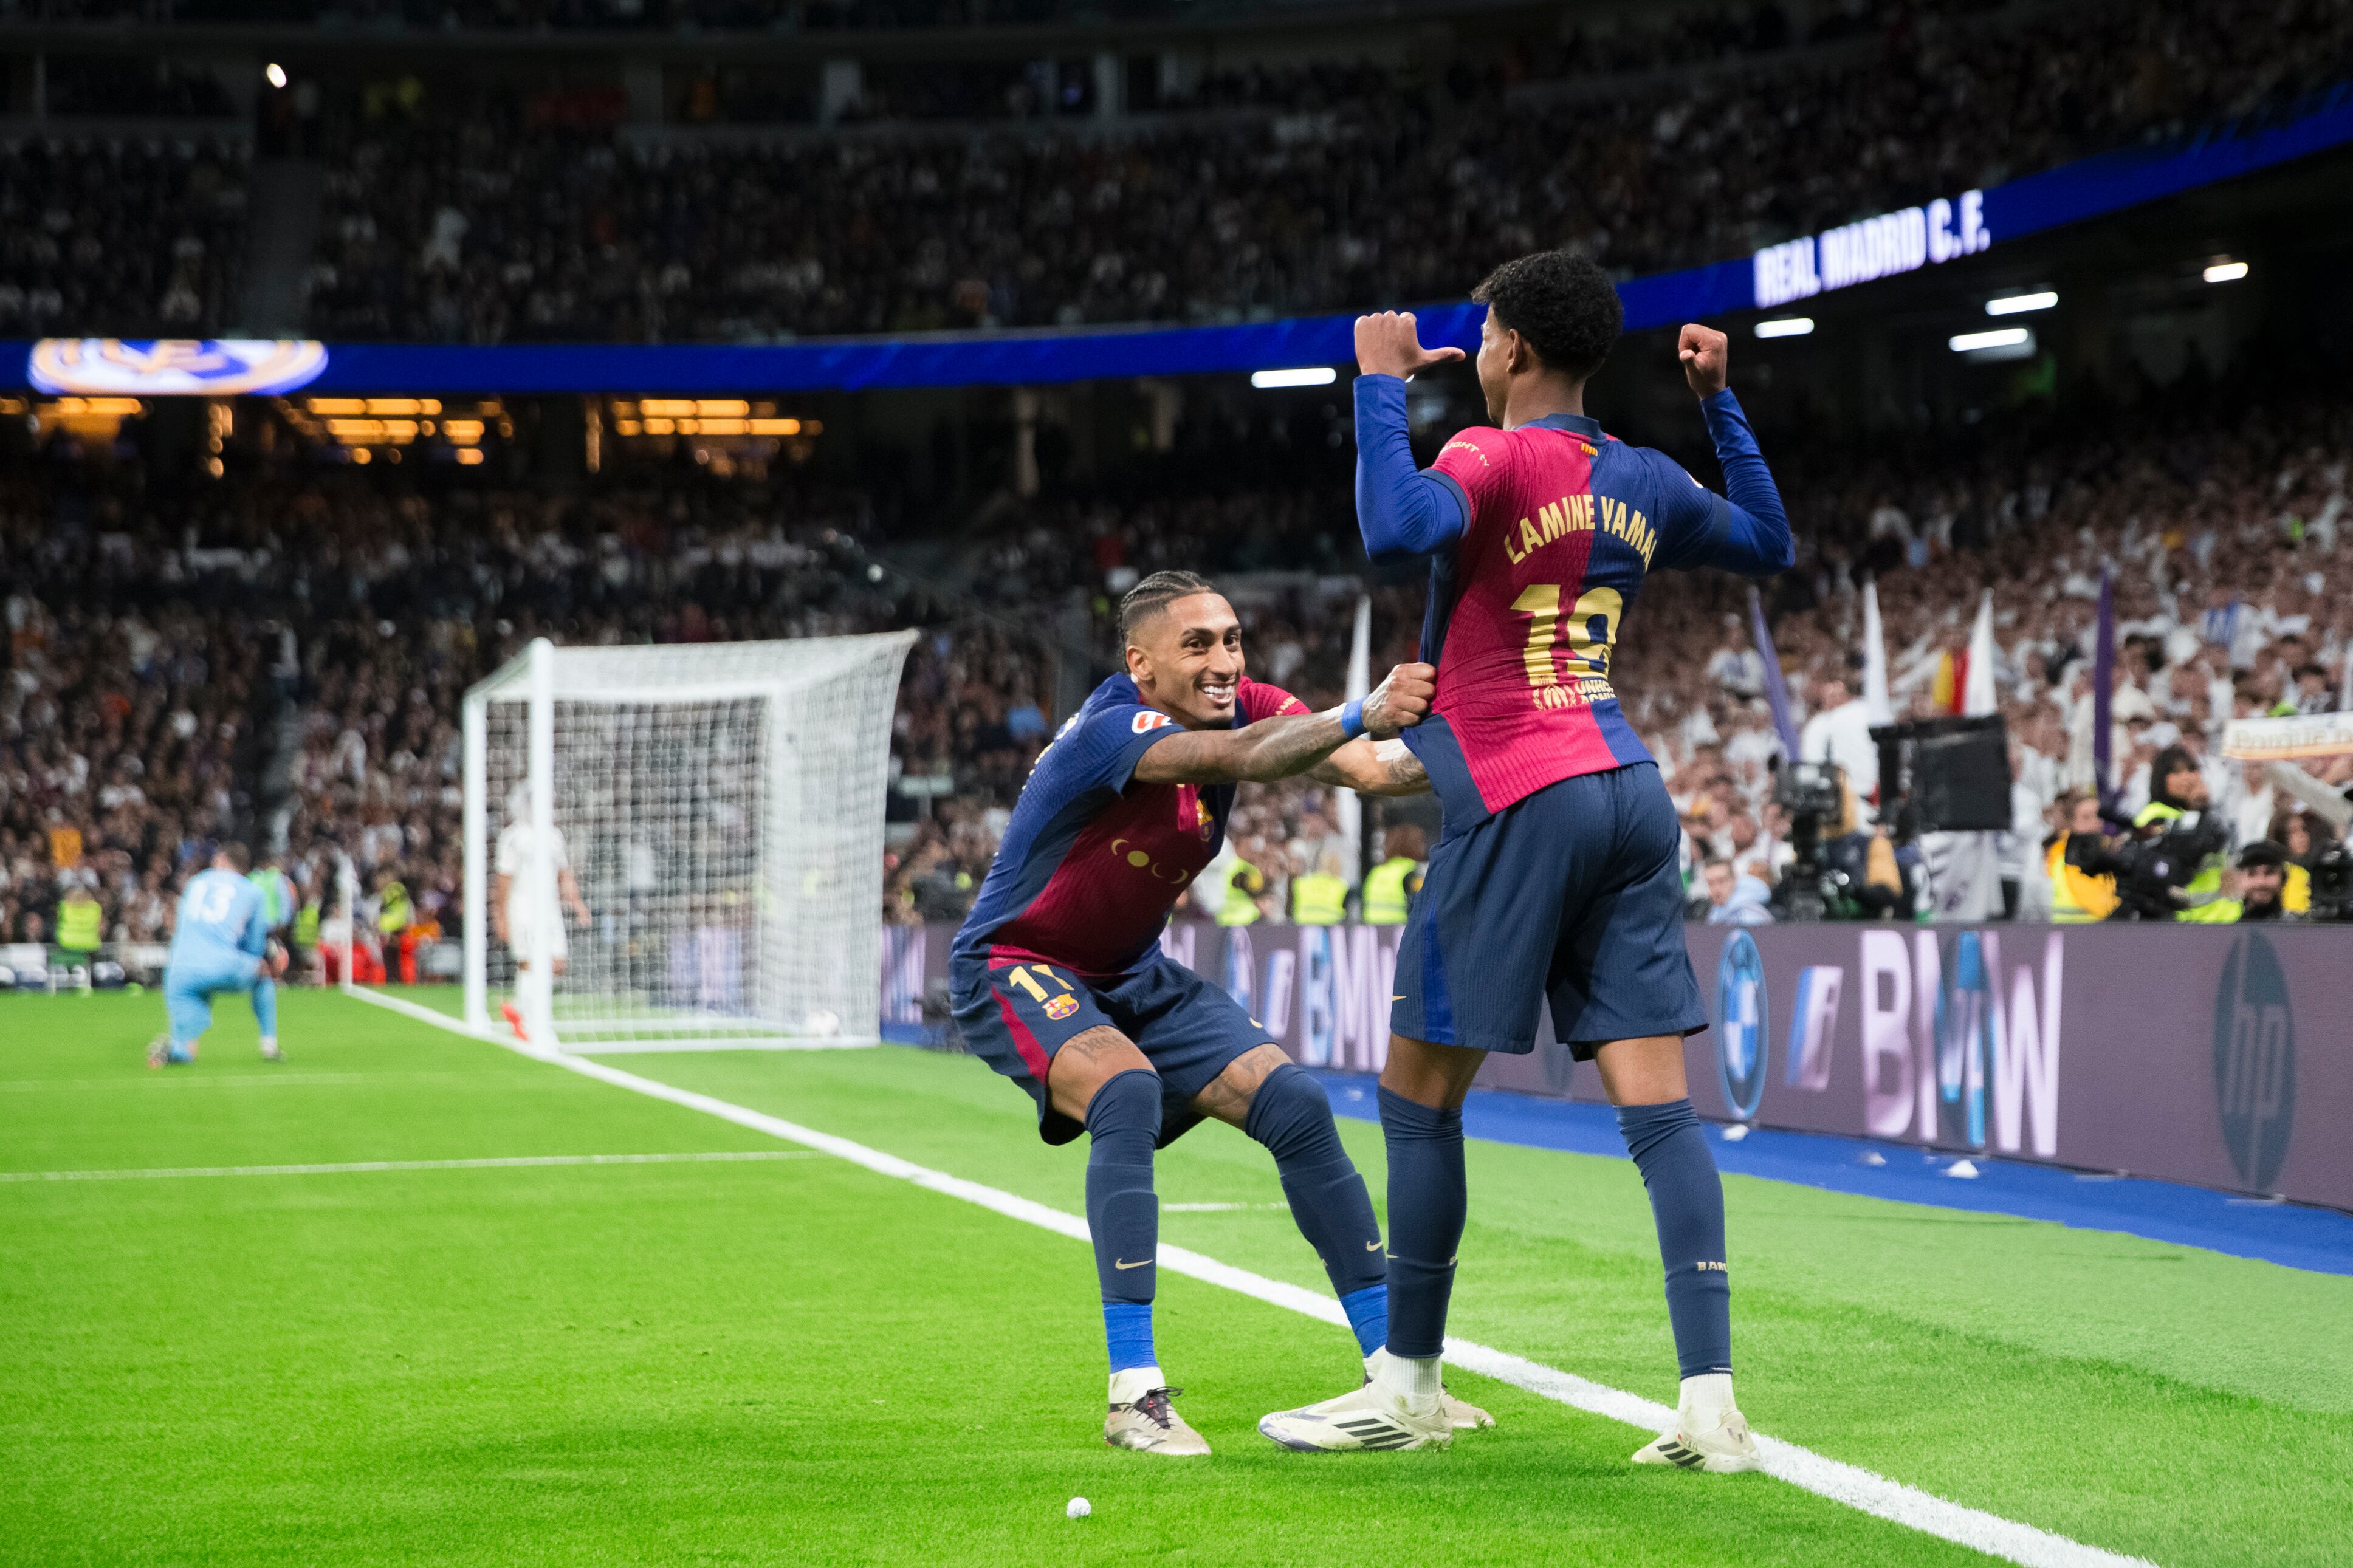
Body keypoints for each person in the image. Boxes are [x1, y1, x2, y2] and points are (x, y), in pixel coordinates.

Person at [1260, 252, 1791, 1467]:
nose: (1478, 345)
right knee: (1659, 1117)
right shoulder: (1642, 476)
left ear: (1508, 351)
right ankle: (1710, 1407)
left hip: (1519, 793)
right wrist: (1719, 401)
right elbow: (1768, 541)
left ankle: (1405, 1385)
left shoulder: (1487, 458)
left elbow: (1393, 529)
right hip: (1625, 786)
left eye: (1485, 331)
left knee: (1415, 1099)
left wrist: (1378, 384)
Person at [948, 570, 1484, 1456]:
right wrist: (1362, 708)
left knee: (1298, 1104)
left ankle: (1395, 1372)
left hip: (1133, 971)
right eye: (1198, 645)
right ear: (1141, 663)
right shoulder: (1113, 729)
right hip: (1017, 961)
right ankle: (1135, 1395)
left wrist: (1507, 737)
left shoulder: (1253, 703)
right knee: (1121, 1091)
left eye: (1232, 640)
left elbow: (1374, 770)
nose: (1224, 661)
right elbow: (1245, 758)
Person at [148, 842, 287, 1067]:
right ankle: (269, 1047)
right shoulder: (252, 891)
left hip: (179, 971)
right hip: (221, 965)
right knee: (262, 973)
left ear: (222, 860)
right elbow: (254, 946)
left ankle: (176, 1050)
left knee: (187, 1052)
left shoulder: (195, 882)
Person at [492, 783, 593, 1038]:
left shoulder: (553, 835)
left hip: (550, 908)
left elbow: (564, 874)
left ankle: (519, 1009)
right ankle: (531, 1022)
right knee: (530, 963)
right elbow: (504, 879)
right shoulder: (513, 837)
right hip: (523, 907)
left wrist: (578, 904)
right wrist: (500, 914)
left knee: (557, 964)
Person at [2045, 790, 2119, 923]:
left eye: (2098, 816)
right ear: (2071, 823)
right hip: (2075, 934)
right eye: (2086, 817)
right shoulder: (2066, 855)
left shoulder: (2106, 852)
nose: (2095, 822)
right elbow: (2099, 905)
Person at [1362, 823, 1427, 925]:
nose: (1423, 847)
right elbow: (1423, 904)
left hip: (1374, 932)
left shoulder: (1376, 872)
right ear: (1413, 845)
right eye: (1421, 843)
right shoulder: (1411, 870)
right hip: (1400, 931)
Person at [1700, 857, 1773, 925]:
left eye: (1722, 881)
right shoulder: (1714, 913)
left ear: (1734, 880)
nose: (1716, 889)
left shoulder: (1749, 917)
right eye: (1710, 883)